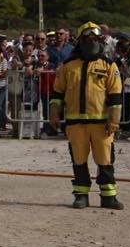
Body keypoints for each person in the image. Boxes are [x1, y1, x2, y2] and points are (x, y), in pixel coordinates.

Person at [47, 22, 124, 209]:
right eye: (87, 39)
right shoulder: (68, 66)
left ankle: (108, 196)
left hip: (101, 123)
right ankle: (81, 195)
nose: (91, 42)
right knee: (79, 160)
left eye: (95, 39)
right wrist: (54, 114)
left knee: (105, 160)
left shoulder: (108, 65)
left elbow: (115, 95)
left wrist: (114, 120)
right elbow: (57, 93)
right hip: (75, 123)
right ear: (80, 41)